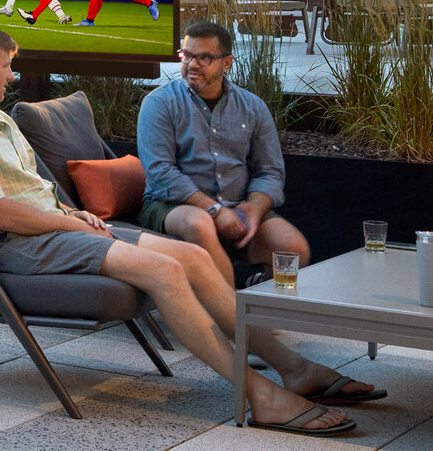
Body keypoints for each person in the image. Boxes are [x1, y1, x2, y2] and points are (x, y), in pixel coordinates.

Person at [0, 23, 367, 435]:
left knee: (191, 256)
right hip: (16, 245)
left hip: (53, 228)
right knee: (164, 271)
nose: (11, 76)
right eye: (6, 66)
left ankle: (293, 367)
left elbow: (29, 190)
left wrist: (71, 213)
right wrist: (65, 222)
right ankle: (259, 394)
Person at [135, 20, 330, 306]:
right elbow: (161, 173)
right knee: (199, 222)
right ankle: (233, 317)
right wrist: (214, 210)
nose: (192, 64)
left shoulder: (252, 106)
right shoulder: (159, 103)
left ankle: (259, 294)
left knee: (293, 248)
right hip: (172, 206)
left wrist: (254, 209)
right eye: (186, 55)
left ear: (226, 62)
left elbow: (270, 170)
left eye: (204, 57)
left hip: (238, 206)